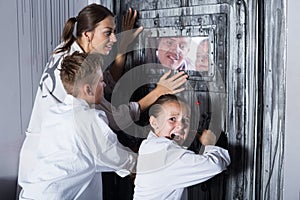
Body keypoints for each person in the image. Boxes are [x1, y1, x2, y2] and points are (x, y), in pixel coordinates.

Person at [19, 52, 138, 200]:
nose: (105, 84)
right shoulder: (89, 119)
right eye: (101, 81)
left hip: (31, 194)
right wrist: (149, 161)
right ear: (88, 90)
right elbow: (117, 157)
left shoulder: (54, 112)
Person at [133, 94, 230, 200]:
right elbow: (216, 165)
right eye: (172, 119)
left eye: (185, 120)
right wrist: (210, 144)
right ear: (154, 123)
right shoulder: (163, 152)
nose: (181, 126)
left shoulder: (149, 146)